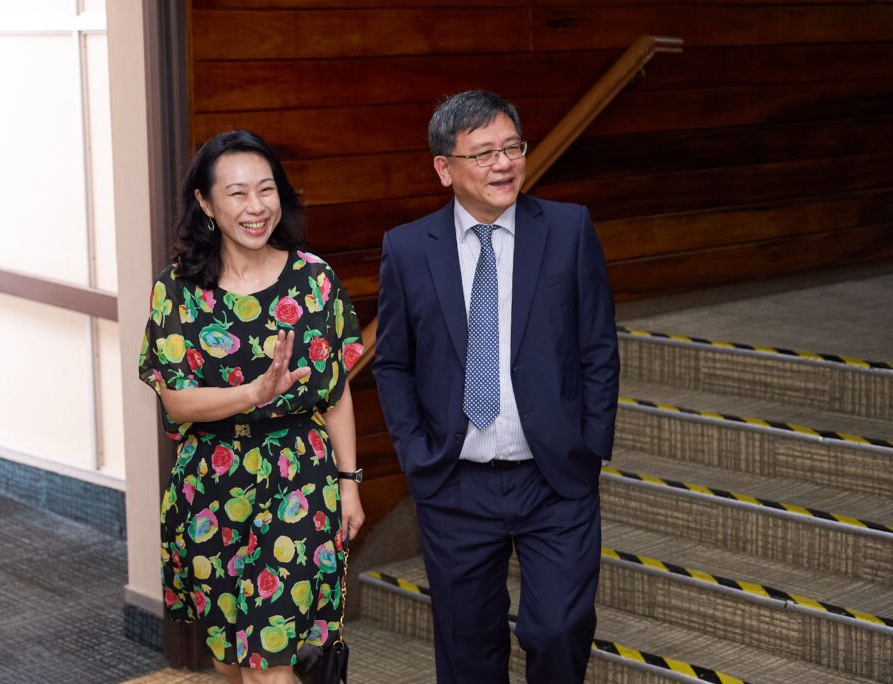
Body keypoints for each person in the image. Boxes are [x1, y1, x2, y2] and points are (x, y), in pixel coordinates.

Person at [373, 90, 619, 683]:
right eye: (484, 154)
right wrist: (415, 453)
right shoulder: (408, 248)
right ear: (444, 168)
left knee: (559, 630)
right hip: (455, 482)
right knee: (468, 650)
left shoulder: (568, 228)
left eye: (513, 147)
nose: (504, 164)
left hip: (553, 478)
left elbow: (598, 348)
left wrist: (589, 445)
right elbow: (393, 363)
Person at [139, 130, 365, 684]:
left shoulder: (314, 280)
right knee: (230, 661)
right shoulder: (178, 290)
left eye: (266, 190)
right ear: (205, 203)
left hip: (299, 478)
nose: (256, 206)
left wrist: (349, 482)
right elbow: (176, 399)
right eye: (237, 193)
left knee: (269, 664)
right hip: (211, 485)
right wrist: (253, 393)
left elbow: (336, 391)